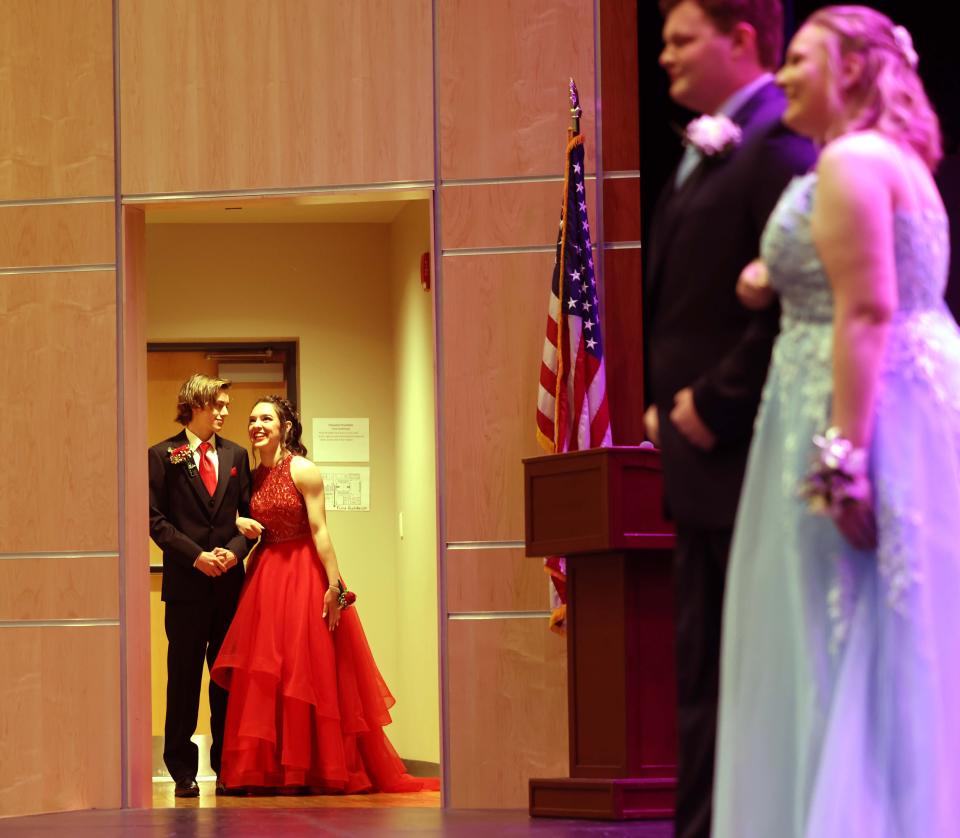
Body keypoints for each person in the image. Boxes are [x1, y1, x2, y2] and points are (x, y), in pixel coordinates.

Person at [713, 7, 960, 836]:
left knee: (838, 625)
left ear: (851, 68)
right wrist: (767, 276)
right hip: (913, 400)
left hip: (859, 407)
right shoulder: (894, 163)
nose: (781, 75)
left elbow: (866, 311)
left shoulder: (852, 161)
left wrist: (842, 460)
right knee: (893, 632)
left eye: (801, 59)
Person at [644, 2, 815, 835]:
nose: (664, 56)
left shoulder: (779, 144)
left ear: (741, 38)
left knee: (741, 674)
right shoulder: (714, 141)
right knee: (704, 672)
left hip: (744, 450)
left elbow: (799, 294)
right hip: (695, 457)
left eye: (682, 40)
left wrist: (714, 403)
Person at [210, 396, 435, 794]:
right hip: (264, 575)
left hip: (301, 572)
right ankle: (272, 771)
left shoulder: (303, 469)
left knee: (303, 668)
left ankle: (313, 768)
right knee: (269, 673)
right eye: (252, 419)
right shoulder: (252, 474)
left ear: (285, 427)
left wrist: (335, 587)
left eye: (266, 418)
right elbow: (239, 518)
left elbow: (320, 531)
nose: (256, 425)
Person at [148, 373, 254, 798]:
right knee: (184, 678)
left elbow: (247, 516)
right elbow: (156, 521)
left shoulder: (237, 455)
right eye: (219, 405)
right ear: (196, 405)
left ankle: (226, 766)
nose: (226, 413)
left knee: (225, 679)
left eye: (226, 406)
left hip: (229, 588)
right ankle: (181, 771)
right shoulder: (162, 456)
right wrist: (196, 556)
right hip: (187, 589)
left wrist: (232, 552)